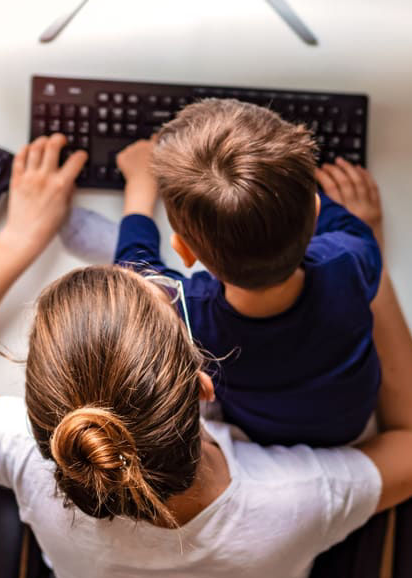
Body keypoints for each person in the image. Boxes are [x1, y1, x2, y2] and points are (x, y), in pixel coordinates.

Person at [0, 133, 412, 578]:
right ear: (206, 386)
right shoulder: (294, 498)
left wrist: (20, 237)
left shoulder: (38, 460)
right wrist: (367, 274)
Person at [115, 99, 383, 447]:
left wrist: (138, 189)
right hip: (348, 423)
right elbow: (345, 226)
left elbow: (133, 276)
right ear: (316, 213)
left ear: (184, 251)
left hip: (261, 433)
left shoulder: (189, 315)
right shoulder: (351, 255)